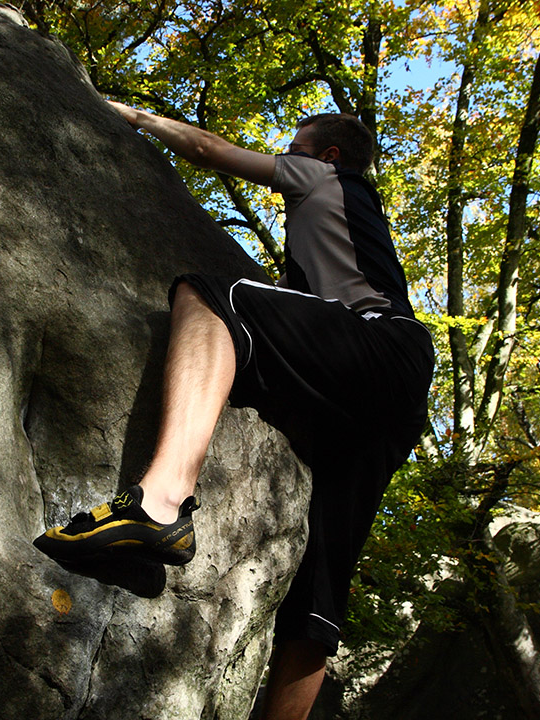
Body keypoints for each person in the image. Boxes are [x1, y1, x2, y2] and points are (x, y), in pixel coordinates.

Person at [34, 100, 434, 720]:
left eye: (294, 148)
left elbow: (208, 149)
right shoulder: (349, 218)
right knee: (320, 588)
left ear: (325, 155)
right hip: (390, 395)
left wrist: (137, 117)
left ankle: (159, 503)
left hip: (377, 342)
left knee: (210, 294)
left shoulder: (326, 177)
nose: (286, 158)